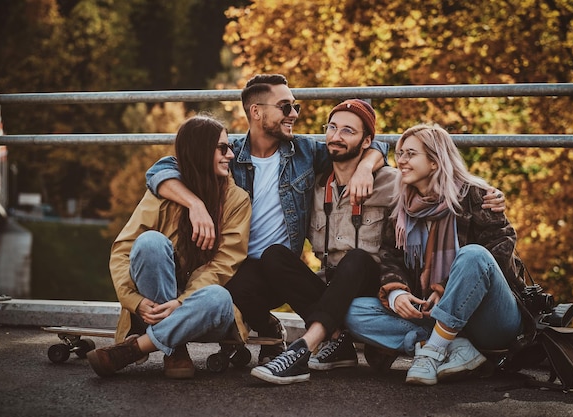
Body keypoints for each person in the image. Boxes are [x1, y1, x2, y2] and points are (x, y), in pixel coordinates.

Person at [144, 74, 389, 364]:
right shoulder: (228, 152)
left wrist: (365, 168)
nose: (294, 114)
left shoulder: (305, 152)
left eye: (295, 107)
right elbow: (160, 169)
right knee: (229, 281)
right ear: (256, 111)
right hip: (235, 270)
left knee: (274, 256)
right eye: (285, 107)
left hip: (282, 272)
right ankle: (268, 329)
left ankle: (328, 336)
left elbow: (371, 145)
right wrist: (195, 204)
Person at [345, 123, 523, 386]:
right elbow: (390, 257)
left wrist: (447, 288)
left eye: (410, 154)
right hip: (431, 312)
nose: (401, 161)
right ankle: (455, 346)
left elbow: (499, 254)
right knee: (353, 310)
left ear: (435, 162)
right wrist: (397, 293)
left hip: (490, 319)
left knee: (473, 255)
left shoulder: (476, 196)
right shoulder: (402, 207)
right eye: (400, 153)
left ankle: (432, 351)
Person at [87, 115, 252, 379]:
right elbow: (123, 250)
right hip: (152, 307)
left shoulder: (237, 200)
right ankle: (174, 349)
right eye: (222, 148)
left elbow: (224, 264)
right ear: (200, 151)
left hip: (202, 313)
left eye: (229, 147)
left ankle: (132, 350)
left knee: (218, 297)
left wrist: (181, 302)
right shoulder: (163, 193)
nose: (230, 155)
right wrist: (135, 301)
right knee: (149, 242)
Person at [250, 99, 399, 384]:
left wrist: (487, 197)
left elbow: (441, 187)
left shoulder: (393, 183)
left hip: (372, 291)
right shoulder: (313, 185)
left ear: (367, 141)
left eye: (347, 131)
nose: (336, 137)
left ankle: (302, 348)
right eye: (332, 127)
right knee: (274, 256)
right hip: (331, 287)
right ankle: (337, 340)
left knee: (356, 259)